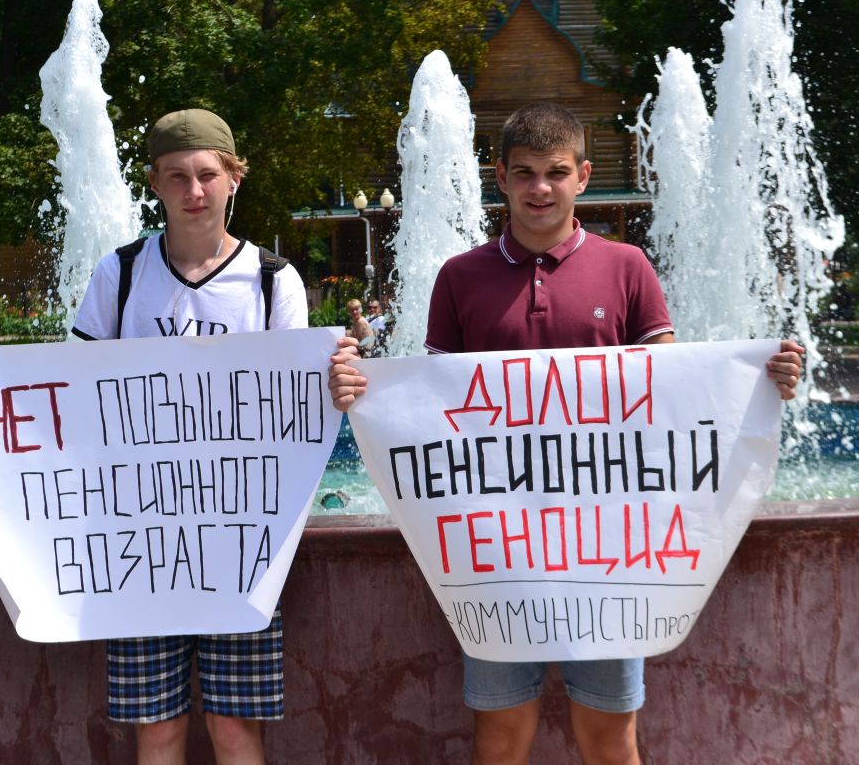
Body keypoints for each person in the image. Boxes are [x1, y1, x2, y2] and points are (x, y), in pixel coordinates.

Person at [328, 103, 803, 765]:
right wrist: (361, 393)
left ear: (582, 176)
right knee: (499, 739)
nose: (540, 188)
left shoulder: (627, 267)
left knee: (611, 740)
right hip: (497, 547)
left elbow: (673, 388)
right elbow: (431, 407)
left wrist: (762, 381)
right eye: (524, 173)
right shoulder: (459, 278)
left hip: (613, 549)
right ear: (500, 177)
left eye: (555, 173)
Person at [0, 108, 316, 764]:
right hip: (140, 540)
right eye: (177, 177)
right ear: (156, 184)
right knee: (158, 729)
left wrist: (337, 382)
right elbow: (71, 390)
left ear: (233, 179)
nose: (194, 192)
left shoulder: (272, 281)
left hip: (240, 536)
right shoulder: (121, 274)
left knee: (234, 728)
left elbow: (299, 404)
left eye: (206, 175)